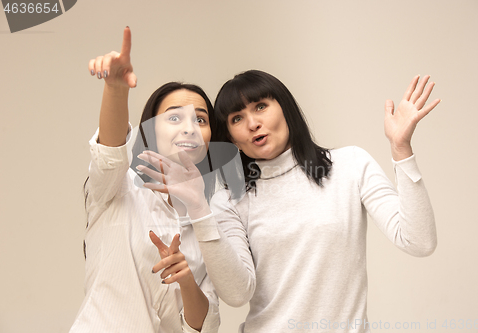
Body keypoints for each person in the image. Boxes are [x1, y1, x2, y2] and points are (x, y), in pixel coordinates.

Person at [138, 69, 440, 332]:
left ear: (285, 109)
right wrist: (200, 210)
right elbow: (237, 293)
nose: (253, 123)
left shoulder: (350, 165)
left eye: (260, 106)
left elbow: (418, 241)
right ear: (230, 137)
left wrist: (401, 150)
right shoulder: (229, 201)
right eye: (237, 118)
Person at [70, 27, 220, 333]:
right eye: (175, 117)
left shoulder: (209, 217)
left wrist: (187, 278)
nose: (190, 128)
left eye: (200, 119)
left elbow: (202, 326)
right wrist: (116, 88)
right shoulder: (120, 187)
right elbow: (110, 155)